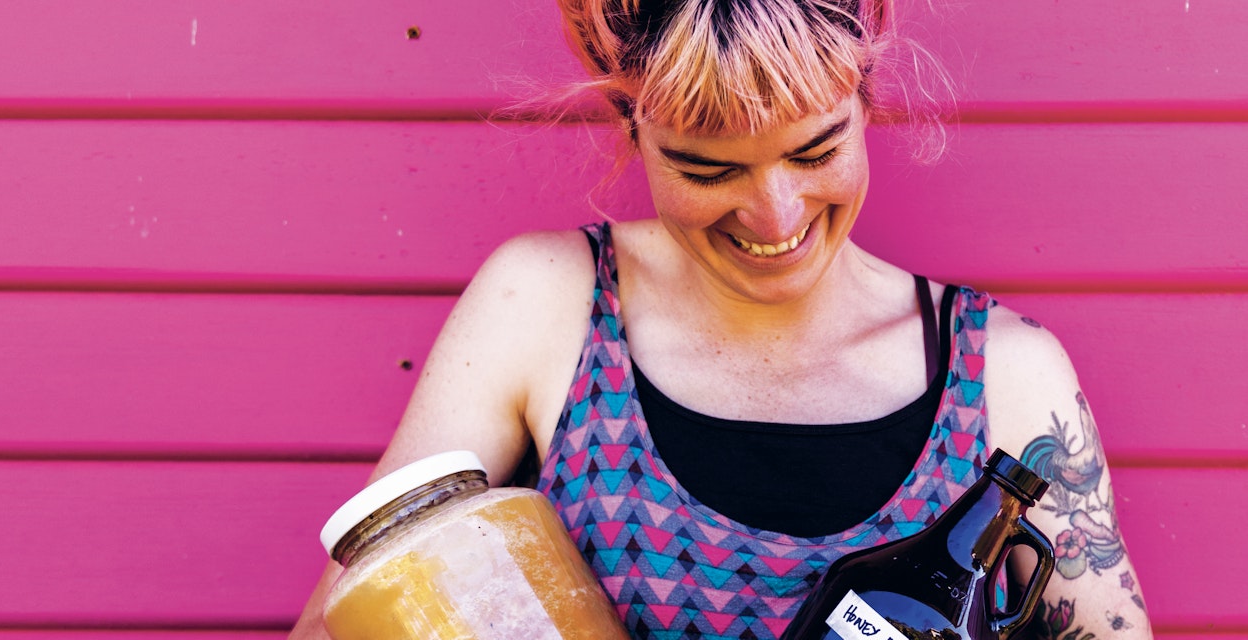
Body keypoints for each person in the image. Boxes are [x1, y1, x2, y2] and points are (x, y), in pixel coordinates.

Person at [292, 0, 1152, 637]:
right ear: (632, 126)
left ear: (866, 102)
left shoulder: (1002, 369)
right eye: (708, 170)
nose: (776, 218)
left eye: (815, 151)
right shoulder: (545, 303)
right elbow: (346, 615)